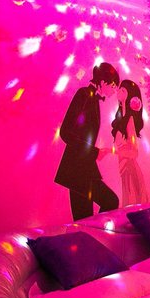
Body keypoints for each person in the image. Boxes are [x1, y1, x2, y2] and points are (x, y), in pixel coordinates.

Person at [55, 63, 120, 220]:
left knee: (84, 220)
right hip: (77, 169)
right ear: (103, 82)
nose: (114, 91)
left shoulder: (92, 98)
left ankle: (94, 232)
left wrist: (94, 152)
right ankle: (99, 230)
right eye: (113, 86)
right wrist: (94, 152)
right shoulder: (84, 94)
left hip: (83, 168)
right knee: (110, 201)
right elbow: (66, 132)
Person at [110, 79, 149, 206]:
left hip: (130, 171)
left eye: (123, 90)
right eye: (119, 89)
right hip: (124, 170)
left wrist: (112, 151)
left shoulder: (130, 120)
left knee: (131, 205)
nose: (119, 91)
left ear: (130, 96)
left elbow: (134, 152)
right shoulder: (121, 118)